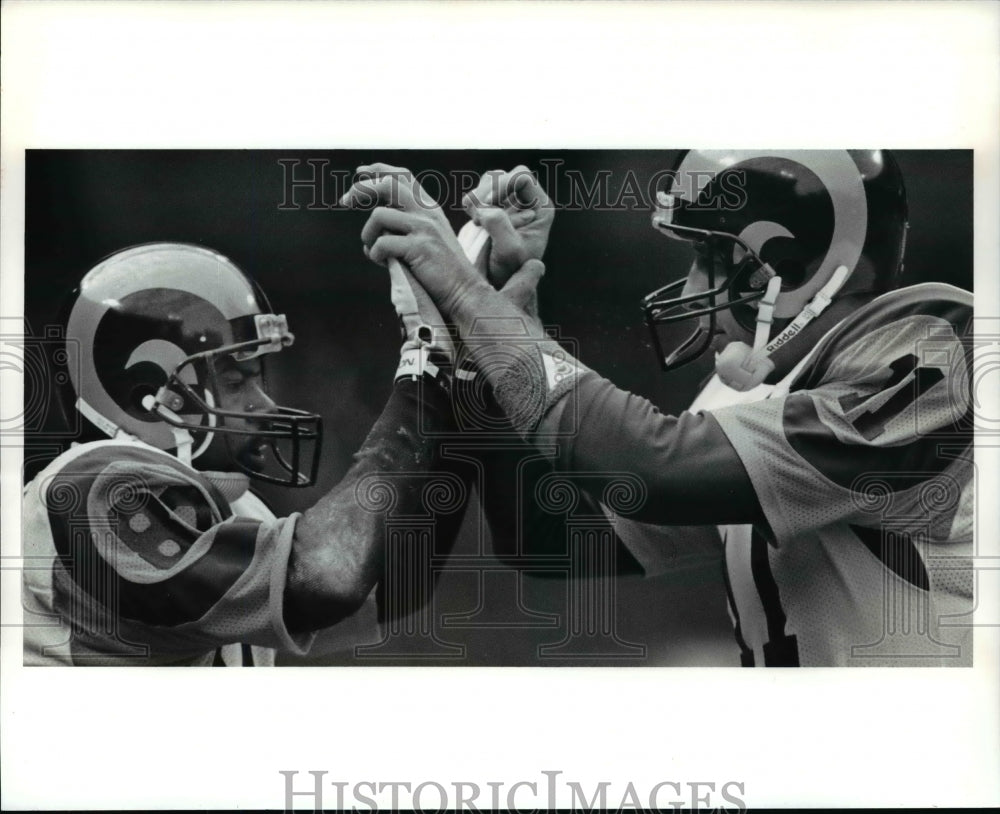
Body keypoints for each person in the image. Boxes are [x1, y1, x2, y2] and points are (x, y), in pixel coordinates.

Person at [342, 151, 974, 667]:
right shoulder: (763, 390)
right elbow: (554, 535)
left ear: (791, 264)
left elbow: (653, 467)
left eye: (713, 257)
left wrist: (470, 295)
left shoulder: (940, 340)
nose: (695, 286)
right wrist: (489, 330)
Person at [22, 241, 466, 666]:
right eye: (235, 382)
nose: (264, 405)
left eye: (256, 378)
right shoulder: (95, 487)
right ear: (144, 394)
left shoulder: (237, 507)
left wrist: (465, 360)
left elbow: (392, 585)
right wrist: (425, 370)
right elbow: (330, 578)